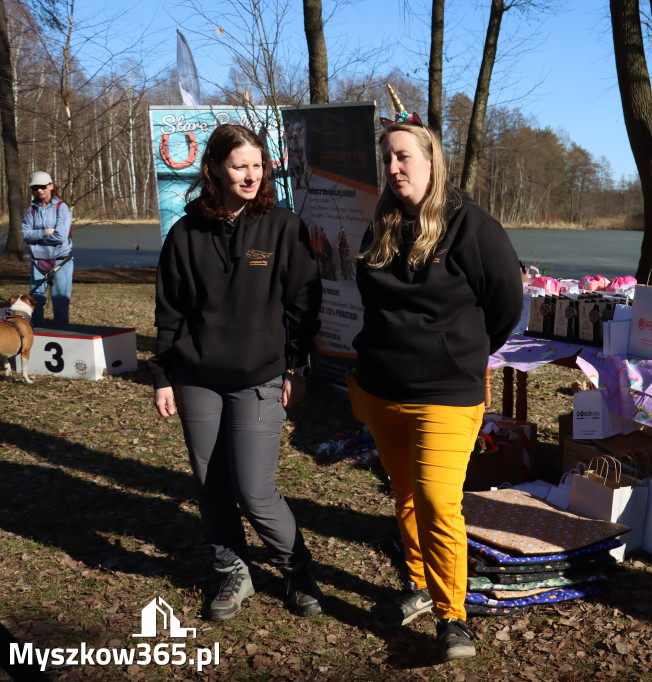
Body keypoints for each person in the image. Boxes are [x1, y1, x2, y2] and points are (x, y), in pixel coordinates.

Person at [346, 87, 522, 662]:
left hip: (446, 395)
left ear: (431, 160)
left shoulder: (473, 227)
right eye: (388, 159)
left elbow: (506, 304)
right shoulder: (382, 225)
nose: (395, 168)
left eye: (405, 157)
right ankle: (419, 585)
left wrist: (462, 353)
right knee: (404, 495)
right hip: (379, 389)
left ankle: (453, 616)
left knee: (439, 501)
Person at [149, 124, 324, 622]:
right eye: (238, 165)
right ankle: (232, 570)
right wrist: (163, 375)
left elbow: (305, 304)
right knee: (211, 484)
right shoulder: (185, 233)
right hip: (197, 377)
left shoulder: (282, 227)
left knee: (254, 488)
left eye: (257, 165)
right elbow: (170, 311)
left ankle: (296, 571)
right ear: (216, 170)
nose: (250, 175)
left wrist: (297, 362)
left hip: (260, 376)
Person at [21, 171, 73, 327]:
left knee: (61, 302)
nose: (39, 190)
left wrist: (36, 238)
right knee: (35, 302)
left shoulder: (62, 208)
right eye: (35, 187)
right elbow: (25, 235)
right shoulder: (31, 211)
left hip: (61, 260)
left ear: (51, 185)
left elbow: (61, 237)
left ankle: (62, 333)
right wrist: (44, 232)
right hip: (37, 262)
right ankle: (36, 335)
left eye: (42, 186)